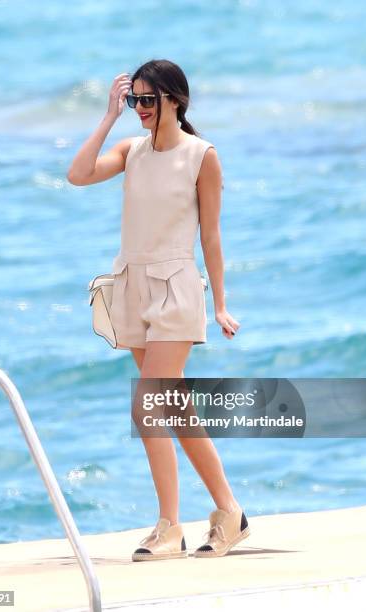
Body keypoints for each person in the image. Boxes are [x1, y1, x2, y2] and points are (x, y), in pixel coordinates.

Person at [67, 59, 250, 561]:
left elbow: (211, 235)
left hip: (175, 289)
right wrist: (107, 118)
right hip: (132, 286)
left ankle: (170, 526)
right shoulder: (131, 151)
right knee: (174, 408)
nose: (140, 110)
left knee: (146, 405)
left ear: (176, 100)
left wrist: (221, 304)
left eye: (148, 101)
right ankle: (230, 513)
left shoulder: (201, 156)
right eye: (135, 101)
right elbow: (78, 174)